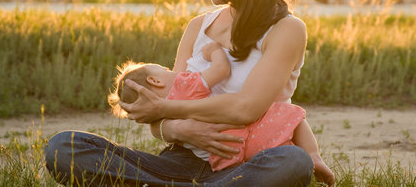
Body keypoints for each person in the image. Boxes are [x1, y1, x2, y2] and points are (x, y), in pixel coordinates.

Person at [45, 0, 334, 186]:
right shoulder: (198, 27)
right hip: (178, 163)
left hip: (243, 165)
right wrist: (178, 130)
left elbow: (246, 108)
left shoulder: (287, 29)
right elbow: (161, 122)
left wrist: (165, 111)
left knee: (293, 162)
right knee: (64, 147)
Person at [109, 42, 308, 172]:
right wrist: (215, 52)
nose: (172, 71)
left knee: (292, 160)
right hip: (240, 142)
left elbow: (158, 124)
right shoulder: (183, 84)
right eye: (166, 70)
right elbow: (221, 69)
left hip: (221, 162)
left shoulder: (161, 110)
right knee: (289, 131)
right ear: (155, 81)